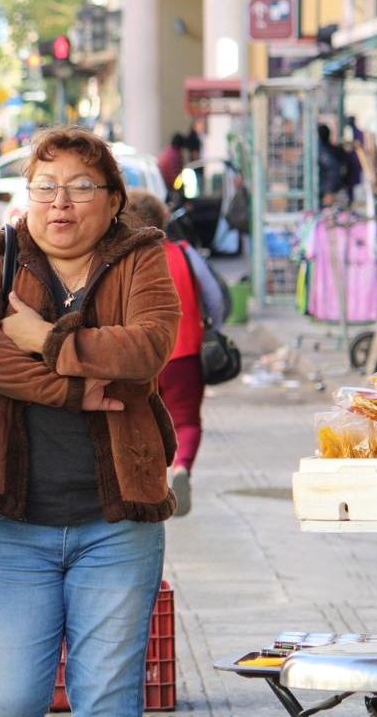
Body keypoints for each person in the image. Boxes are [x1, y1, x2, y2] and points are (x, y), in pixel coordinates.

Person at [0, 126, 181, 716]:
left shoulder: (141, 255)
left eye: (81, 186)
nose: (60, 203)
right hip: (12, 521)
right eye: (45, 186)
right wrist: (71, 390)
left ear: (114, 199)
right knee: (12, 697)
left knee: (108, 698)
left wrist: (42, 338)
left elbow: (147, 347)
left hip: (118, 522)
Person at [124, 188, 226, 517]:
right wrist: (212, 328)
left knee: (139, 421)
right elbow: (215, 297)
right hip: (184, 352)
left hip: (136, 357)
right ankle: (181, 468)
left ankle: (148, 482)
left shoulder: (122, 260)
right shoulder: (183, 253)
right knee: (186, 421)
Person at [318, 123, 349, 206]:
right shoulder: (336, 150)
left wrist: (328, 191)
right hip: (328, 191)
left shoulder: (322, 151)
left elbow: (334, 169)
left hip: (327, 193)